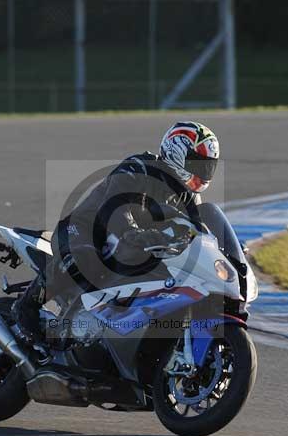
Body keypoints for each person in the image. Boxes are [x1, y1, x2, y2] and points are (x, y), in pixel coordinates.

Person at [13, 121, 220, 341]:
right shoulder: (140, 166)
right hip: (84, 230)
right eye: (198, 164)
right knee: (86, 258)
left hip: (131, 247)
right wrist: (131, 231)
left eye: (208, 166)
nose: (203, 173)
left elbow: (199, 230)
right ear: (176, 152)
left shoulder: (189, 197)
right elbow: (116, 204)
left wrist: (222, 251)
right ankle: (27, 307)